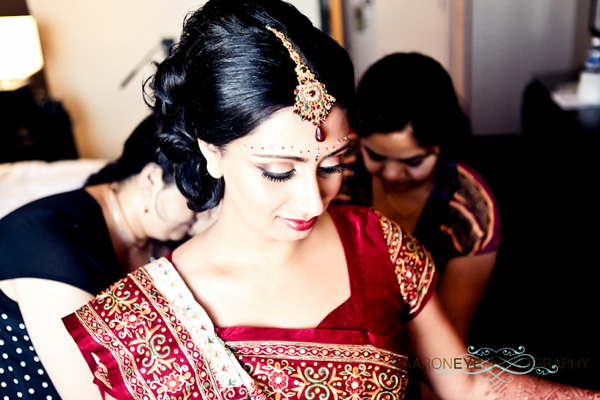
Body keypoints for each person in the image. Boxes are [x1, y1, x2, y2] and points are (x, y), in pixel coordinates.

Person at [62, 1, 599, 399]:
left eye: (333, 165)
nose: (314, 202)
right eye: (278, 172)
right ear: (211, 151)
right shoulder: (140, 323)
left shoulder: (378, 242)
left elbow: (463, 382)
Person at [0, 114, 219, 399]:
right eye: (199, 200)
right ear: (152, 179)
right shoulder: (50, 241)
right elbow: (90, 393)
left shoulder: (165, 238)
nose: (206, 214)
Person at [336, 52, 500, 343]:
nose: (391, 174)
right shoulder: (339, 174)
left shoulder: (468, 213)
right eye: (375, 156)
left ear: (443, 143)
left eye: (412, 163)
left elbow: (447, 340)